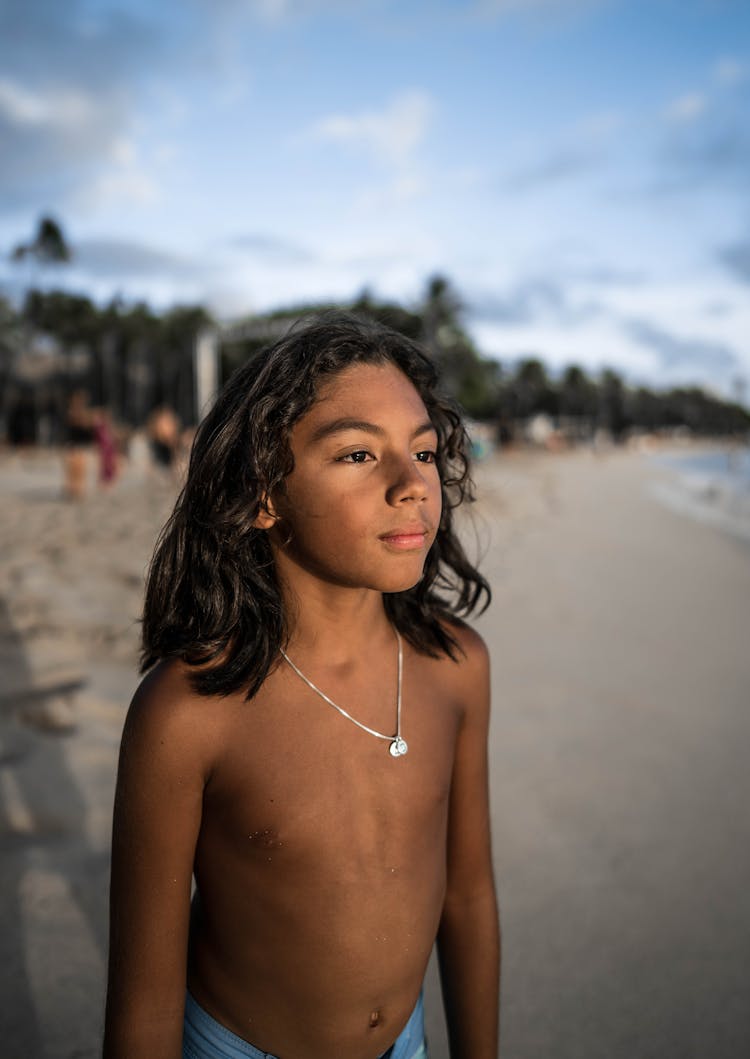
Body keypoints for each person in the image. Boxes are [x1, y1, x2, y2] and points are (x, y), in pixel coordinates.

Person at [104, 313, 500, 1059]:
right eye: (357, 452)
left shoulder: (456, 668)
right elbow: (143, 1004)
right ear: (264, 494)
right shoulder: (188, 712)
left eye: (423, 450)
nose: (411, 482)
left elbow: (469, 896)